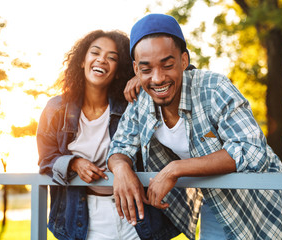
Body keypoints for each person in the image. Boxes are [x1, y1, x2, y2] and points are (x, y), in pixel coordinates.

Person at [107, 14, 282, 240]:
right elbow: (119, 147)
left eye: (167, 65)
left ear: (184, 61)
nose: (157, 78)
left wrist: (177, 168)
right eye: (146, 70)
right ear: (136, 70)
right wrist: (121, 169)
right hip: (213, 199)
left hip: (257, 197)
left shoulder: (214, 88)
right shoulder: (142, 102)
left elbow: (251, 150)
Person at [37, 30, 180, 240]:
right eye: (95, 53)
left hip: (136, 213)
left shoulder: (131, 103)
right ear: (82, 61)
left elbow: (184, 73)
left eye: (112, 57)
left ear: (119, 69)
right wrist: (74, 163)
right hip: (84, 216)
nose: (102, 59)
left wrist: (143, 76)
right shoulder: (56, 108)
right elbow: (46, 160)